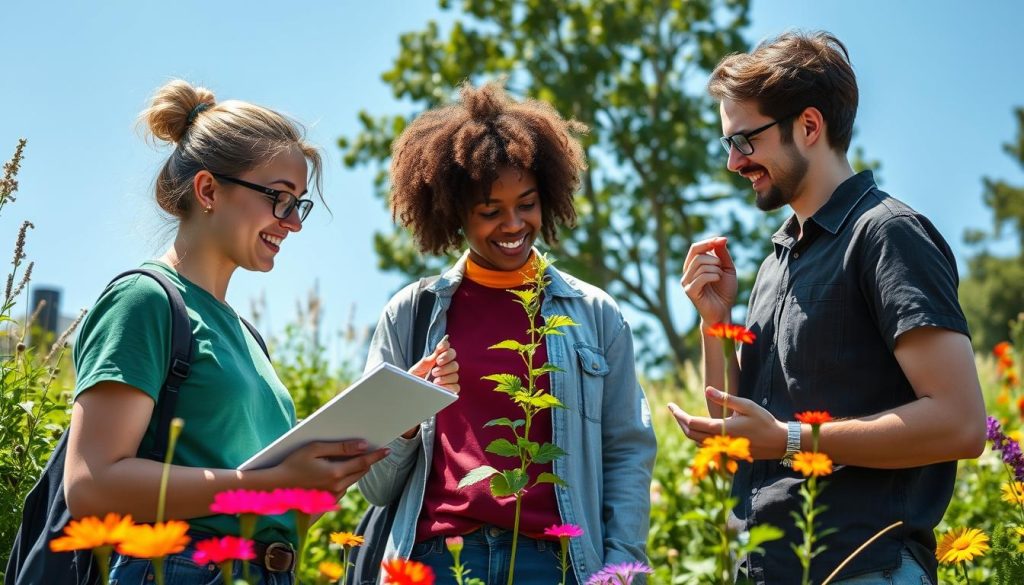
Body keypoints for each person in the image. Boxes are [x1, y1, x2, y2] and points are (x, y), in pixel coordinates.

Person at [63, 80, 458, 584]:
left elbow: (269, 514)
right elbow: (91, 484)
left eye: (298, 204)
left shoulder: (247, 338)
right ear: (208, 190)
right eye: (278, 198)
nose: (292, 222)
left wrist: (325, 476)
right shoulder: (145, 301)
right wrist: (264, 484)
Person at [670, 32, 986, 584]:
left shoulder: (888, 234)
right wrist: (715, 321)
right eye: (726, 144)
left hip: (865, 566)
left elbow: (960, 424)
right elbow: (738, 427)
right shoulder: (774, 262)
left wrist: (793, 439)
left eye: (744, 141)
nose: (733, 162)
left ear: (809, 127)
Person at [358, 81, 657, 585]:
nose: (513, 224)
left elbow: (627, 451)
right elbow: (375, 486)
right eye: (490, 211)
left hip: (554, 562)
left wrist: (622, 570)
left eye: (527, 203)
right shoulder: (411, 313)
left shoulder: (595, 314)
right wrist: (408, 413)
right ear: (456, 215)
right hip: (437, 559)